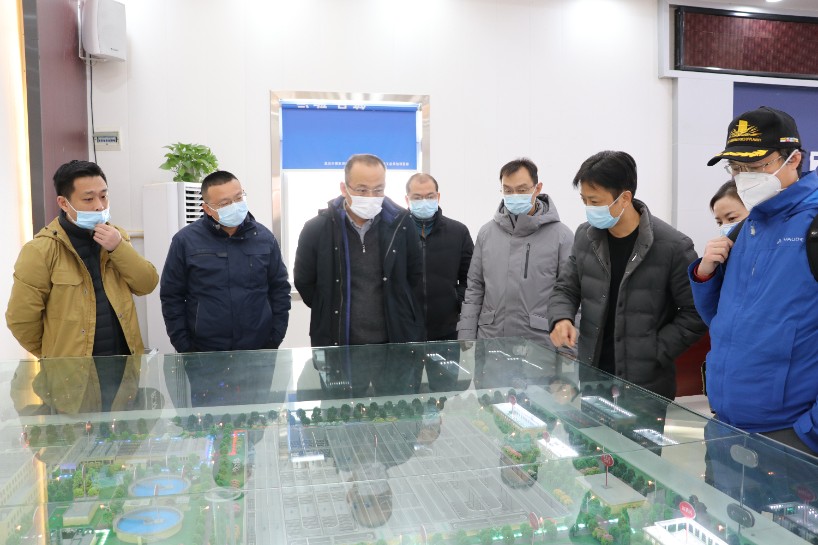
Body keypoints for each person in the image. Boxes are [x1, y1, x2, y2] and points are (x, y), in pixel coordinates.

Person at [689, 106, 818, 455]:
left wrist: (808, 434)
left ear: (794, 159)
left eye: (755, 166)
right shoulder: (746, 228)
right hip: (726, 421)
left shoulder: (813, 226)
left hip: (789, 433)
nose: (744, 177)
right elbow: (722, 321)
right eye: (736, 168)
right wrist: (705, 275)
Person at [548, 150, 706, 400]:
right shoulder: (585, 237)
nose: (588, 208)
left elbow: (696, 313)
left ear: (624, 198)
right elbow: (566, 288)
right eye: (584, 200)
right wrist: (561, 318)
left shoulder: (673, 246)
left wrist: (655, 351)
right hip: (593, 378)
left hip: (646, 385)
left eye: (595, 202)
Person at [294, 154, 425, 396]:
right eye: (362, 190)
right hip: (340, 346)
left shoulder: (402, 224)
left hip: (393, 345)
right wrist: (330, 306)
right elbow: (305, 282)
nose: (371, 197)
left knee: (395, 411)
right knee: (342, 413)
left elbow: (414, 278)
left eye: (378, 190)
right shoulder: (317, 229)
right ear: (344, 188)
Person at [6, 160, 158, 359]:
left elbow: (146, 284)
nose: (99, 206)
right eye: (88, 199)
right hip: (72, 371)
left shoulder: (117, 236)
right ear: (63, 203)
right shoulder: (41, 250)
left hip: (124, 365)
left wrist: (118, 247)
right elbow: (21, 319)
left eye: (103, 196)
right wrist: (54, 355)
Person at [457, 158, 573, 388]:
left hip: (539, 346)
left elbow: (570, 295)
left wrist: (570, 346)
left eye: (522, 190)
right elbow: (475, 287)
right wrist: (466, 333)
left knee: (538, 406)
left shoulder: (561, 236)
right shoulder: (487, 233)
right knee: (492, 403)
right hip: (492, 342)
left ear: (537, 188)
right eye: (508, 190)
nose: (514, 196)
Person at [160, 170, 291, 352]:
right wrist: (184, 346)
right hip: (204, 351)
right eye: (225, 203)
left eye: (238, 198)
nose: (234, 206)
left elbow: (280, 289)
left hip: (258, 348)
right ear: (207, 209)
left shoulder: (264, 238)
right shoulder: (185, 241)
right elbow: (171, 296)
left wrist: (274, 338)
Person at [405, 172, 474, 391]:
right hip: (405, 334)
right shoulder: (396, 232)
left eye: (429, 196)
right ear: (407, 199)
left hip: (446, 333)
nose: (424, 201)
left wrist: (455, 301)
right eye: (417, 197)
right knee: (405, 394)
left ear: (438, 196)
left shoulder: (458, 232)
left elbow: (471, 278)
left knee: (445, 393)